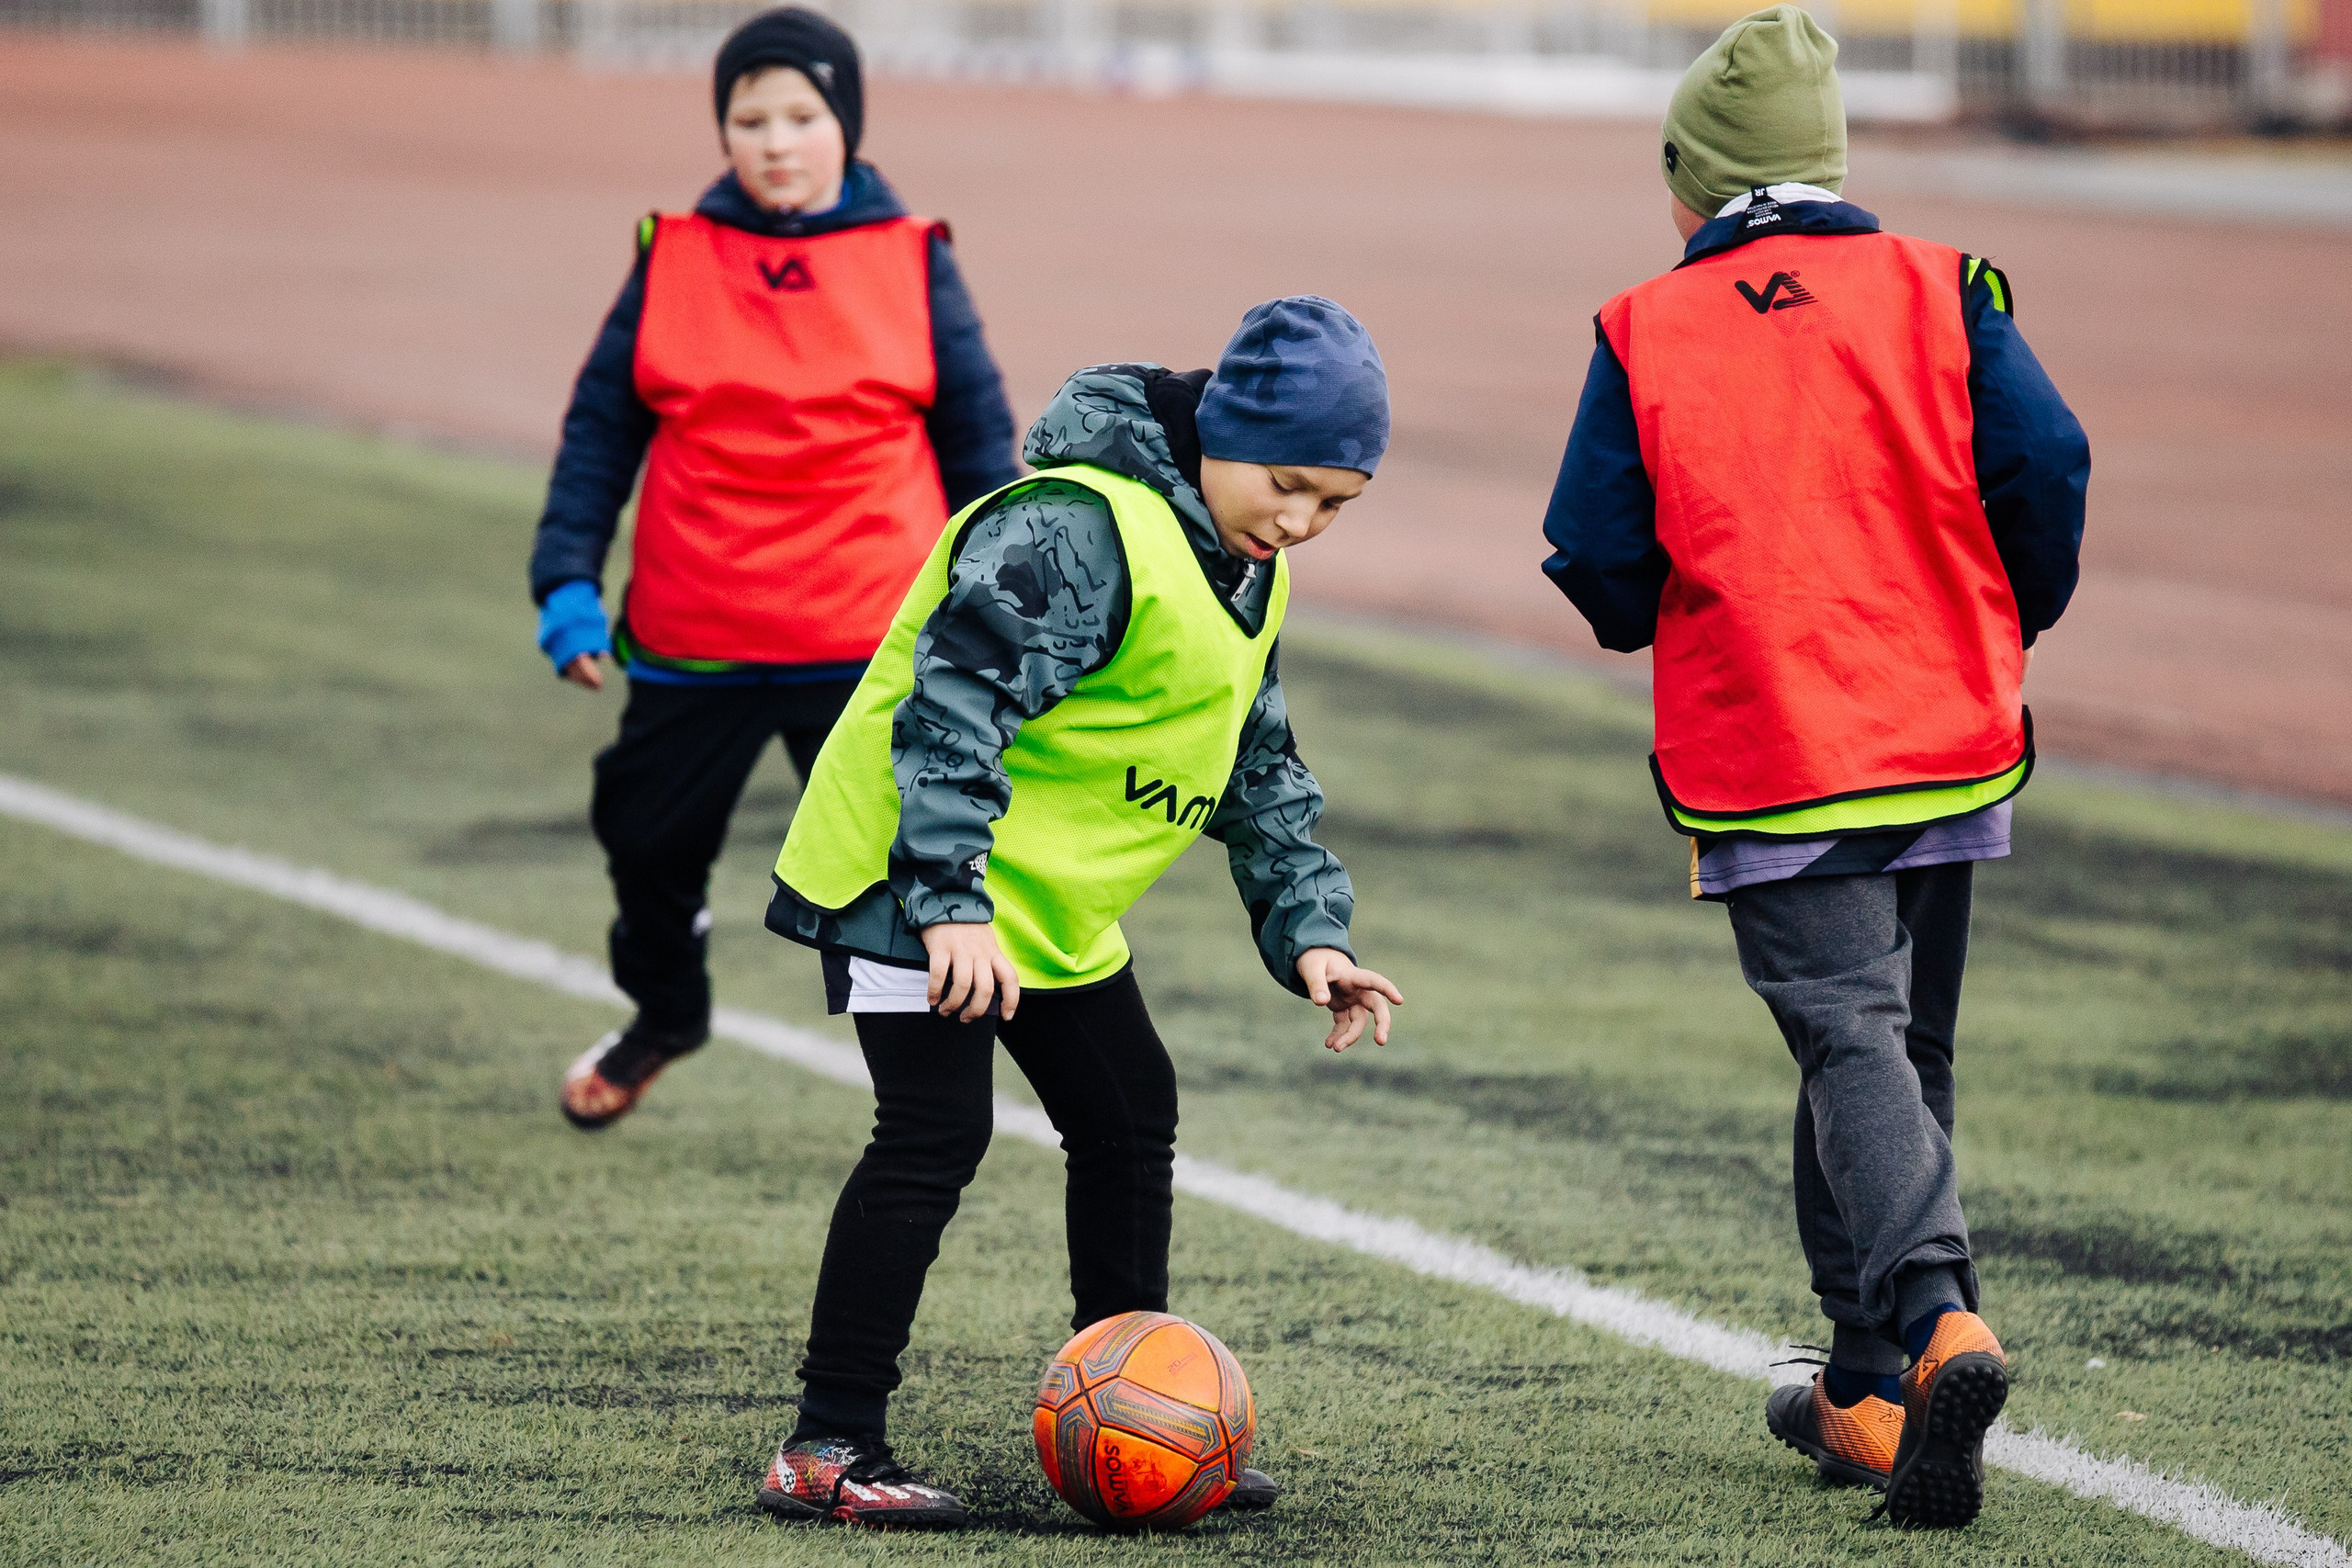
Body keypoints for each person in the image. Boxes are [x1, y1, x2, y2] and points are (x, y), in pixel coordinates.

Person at [1539, 6, 2087, 1529]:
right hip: (1948, 731)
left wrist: (1658, 609)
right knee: (1900, 1048)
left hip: (1773, 748)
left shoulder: (1647, 325)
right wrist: (2002, 615)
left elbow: (1597, 552)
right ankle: (1862, 1379)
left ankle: (1937, 1318)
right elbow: (2047, 465)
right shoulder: (1944, 285)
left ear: (1693, 184)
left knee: (1850, 1036)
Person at [752, 298, 1406, 1528]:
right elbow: (949, 710)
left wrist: (1313, 932)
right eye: (1286, 485)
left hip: (1038, 899)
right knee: (933, 1133)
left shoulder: (1246, 568)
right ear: (1222, 430)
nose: (1300, 522)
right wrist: (948, 903)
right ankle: (825, 1445)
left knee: (1127, 1111)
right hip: (911, 877)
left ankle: (1142, 1417)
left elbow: (1258, 765)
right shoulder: (1074, 526)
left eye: (1335, 503)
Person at [526, 7, 1019, 1131]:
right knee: (645, 841)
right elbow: (600, 430)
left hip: (865, 637)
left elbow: (979, 449)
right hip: (696, 629)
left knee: (895, 869)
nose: (777, 142)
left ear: (846, 123)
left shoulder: (912, 256)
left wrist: (1003, 609)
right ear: (723, 132)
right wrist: (565, 582)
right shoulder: (672, 253)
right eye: (750, 120)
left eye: (802, 116)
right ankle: (667, 1012)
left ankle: (929, 1102)